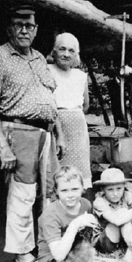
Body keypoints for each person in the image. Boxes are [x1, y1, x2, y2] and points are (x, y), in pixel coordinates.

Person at [0, 4, 64, 262]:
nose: (25, 30)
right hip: (18, 130)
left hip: (45, 133)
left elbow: (49, 98)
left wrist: (58, 133)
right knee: (23, 193)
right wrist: (3, 147)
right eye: (19, 25)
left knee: (50, 190)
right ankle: (22, 252)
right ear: (9, 28)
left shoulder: (39, 58)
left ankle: (50, 244)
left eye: (30, 25)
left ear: (36, 30)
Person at [48, 33, 93, 193]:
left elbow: (85, 105)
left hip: (78, 133)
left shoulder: (80, 76)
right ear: (54, 51)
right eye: (62, 49)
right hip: (55, 129)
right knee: (56, 175)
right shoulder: (47, 71)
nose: (66, 54)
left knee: (78, 175)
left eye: (71, 51)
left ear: (76, 55)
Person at [37, 165, 99, 262]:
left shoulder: (86, 204)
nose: (70, 195)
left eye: (74, 189)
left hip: (76, 253)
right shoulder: (50, 214)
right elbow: (59, 256)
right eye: (64, 190)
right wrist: (75, 224)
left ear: (83, 188)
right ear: (56, 191)